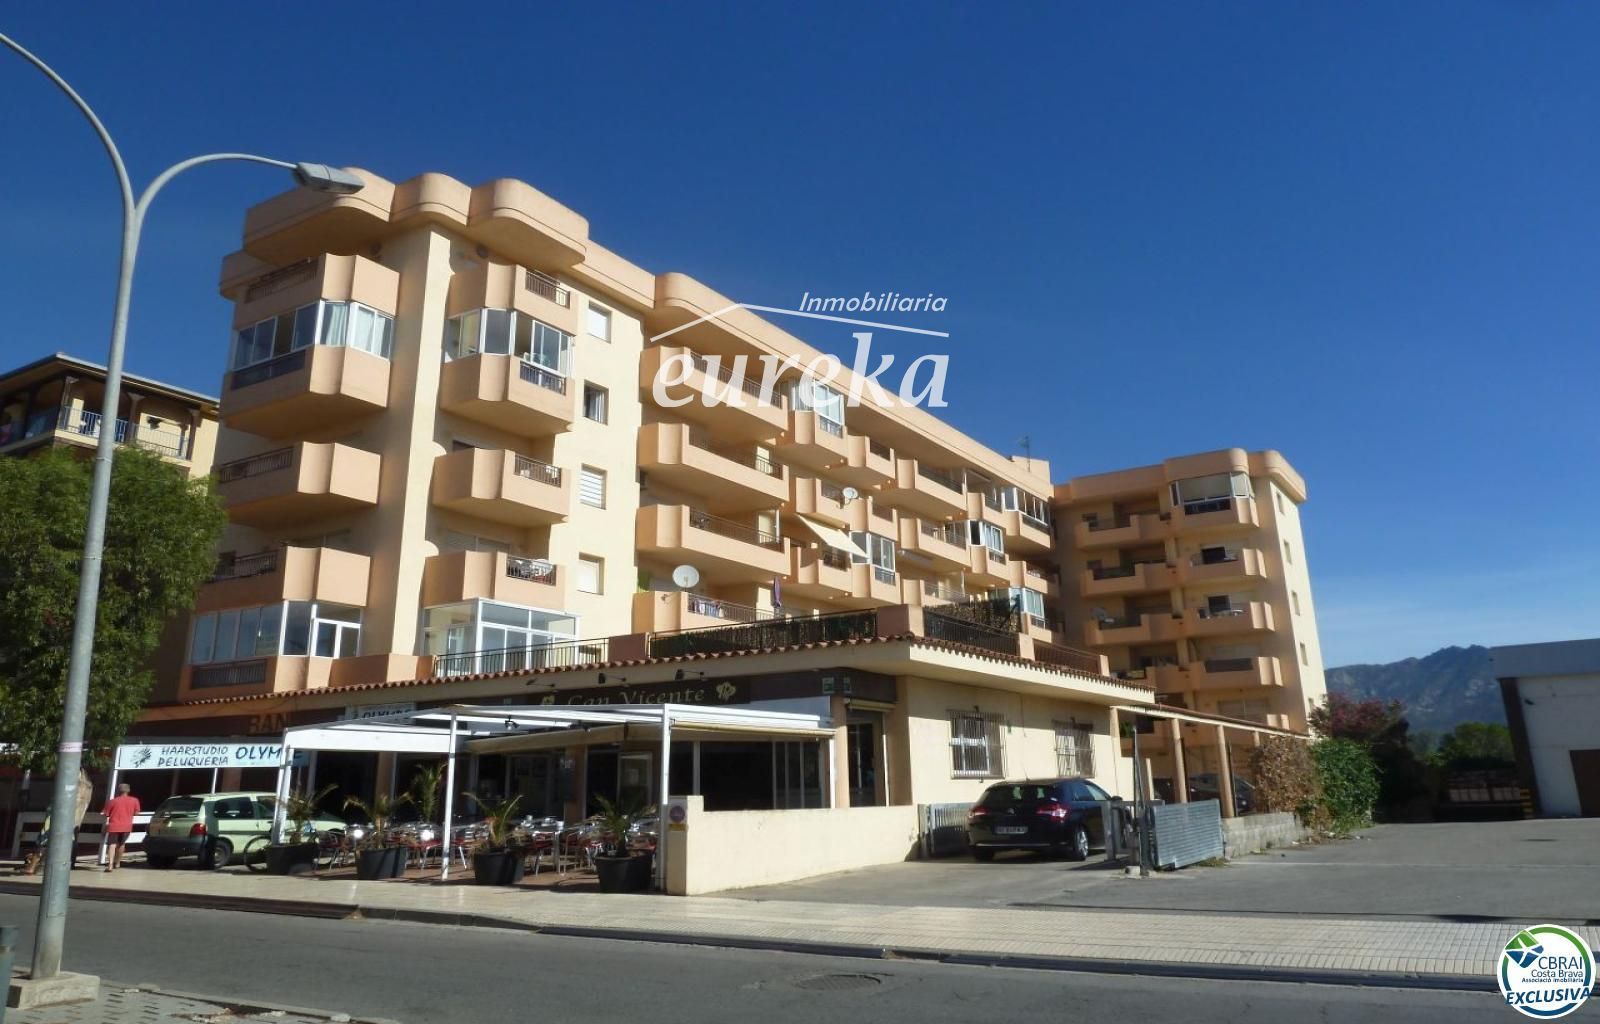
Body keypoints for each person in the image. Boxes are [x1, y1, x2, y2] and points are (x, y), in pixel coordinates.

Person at [102, 783, 141, 872]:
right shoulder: (135, 800)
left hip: (114, 826)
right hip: (126, 826)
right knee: (122, 844)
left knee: (112, 844)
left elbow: (106, 813)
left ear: (118, 791)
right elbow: (137, 812)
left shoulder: (112, 801)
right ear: (128, 790)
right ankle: (118, 863)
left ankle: (110, 864)